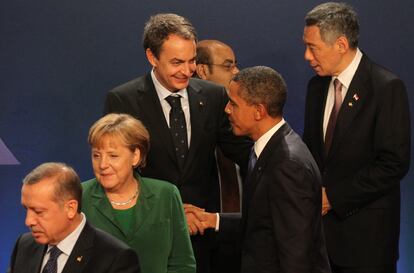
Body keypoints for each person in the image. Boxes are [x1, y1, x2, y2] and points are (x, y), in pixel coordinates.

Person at [103, 13, 251, 273]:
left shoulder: (214, 96)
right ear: (152, 57)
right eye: (176, 62)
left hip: (202, 235)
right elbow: (119, 172)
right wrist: (169, 208)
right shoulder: (123, 100)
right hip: (149, 234)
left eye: (192, 60)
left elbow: (242, 153)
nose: (187, 70)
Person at [186, 66, 331, 273]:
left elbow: (296, 251)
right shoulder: (268, 150)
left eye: (233, 104)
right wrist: (214, 220)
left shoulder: (287, 164)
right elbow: (264, 223)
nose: (227, 109)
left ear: (258, 111)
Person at [302, 3, 411, 273]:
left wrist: (333, 198)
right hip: (318, 241)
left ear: (340, 44)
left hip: (366, 243)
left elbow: (393, 163)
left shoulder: (385, 87)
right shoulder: (316, 87)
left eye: (313, 47)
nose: (306, 56)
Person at [81, 113, 196, 273]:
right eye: (96, 155)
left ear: (135, 156)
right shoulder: (79, 196)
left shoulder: (166, 195)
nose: (103, 164)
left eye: (113, 156)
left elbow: (182, 264)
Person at [8, 162, 140, 273]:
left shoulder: (115, 259)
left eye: (39, 211)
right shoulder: (24, 246)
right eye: (26, 209)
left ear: (70, 208)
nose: (28, 221)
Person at [195, 39, 242, 273]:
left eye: (235, 65)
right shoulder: (187, 123)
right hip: (200, 237)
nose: (236, 72)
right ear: (202, 70)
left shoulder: (243, 119)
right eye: (228, 66)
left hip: (242, 240)